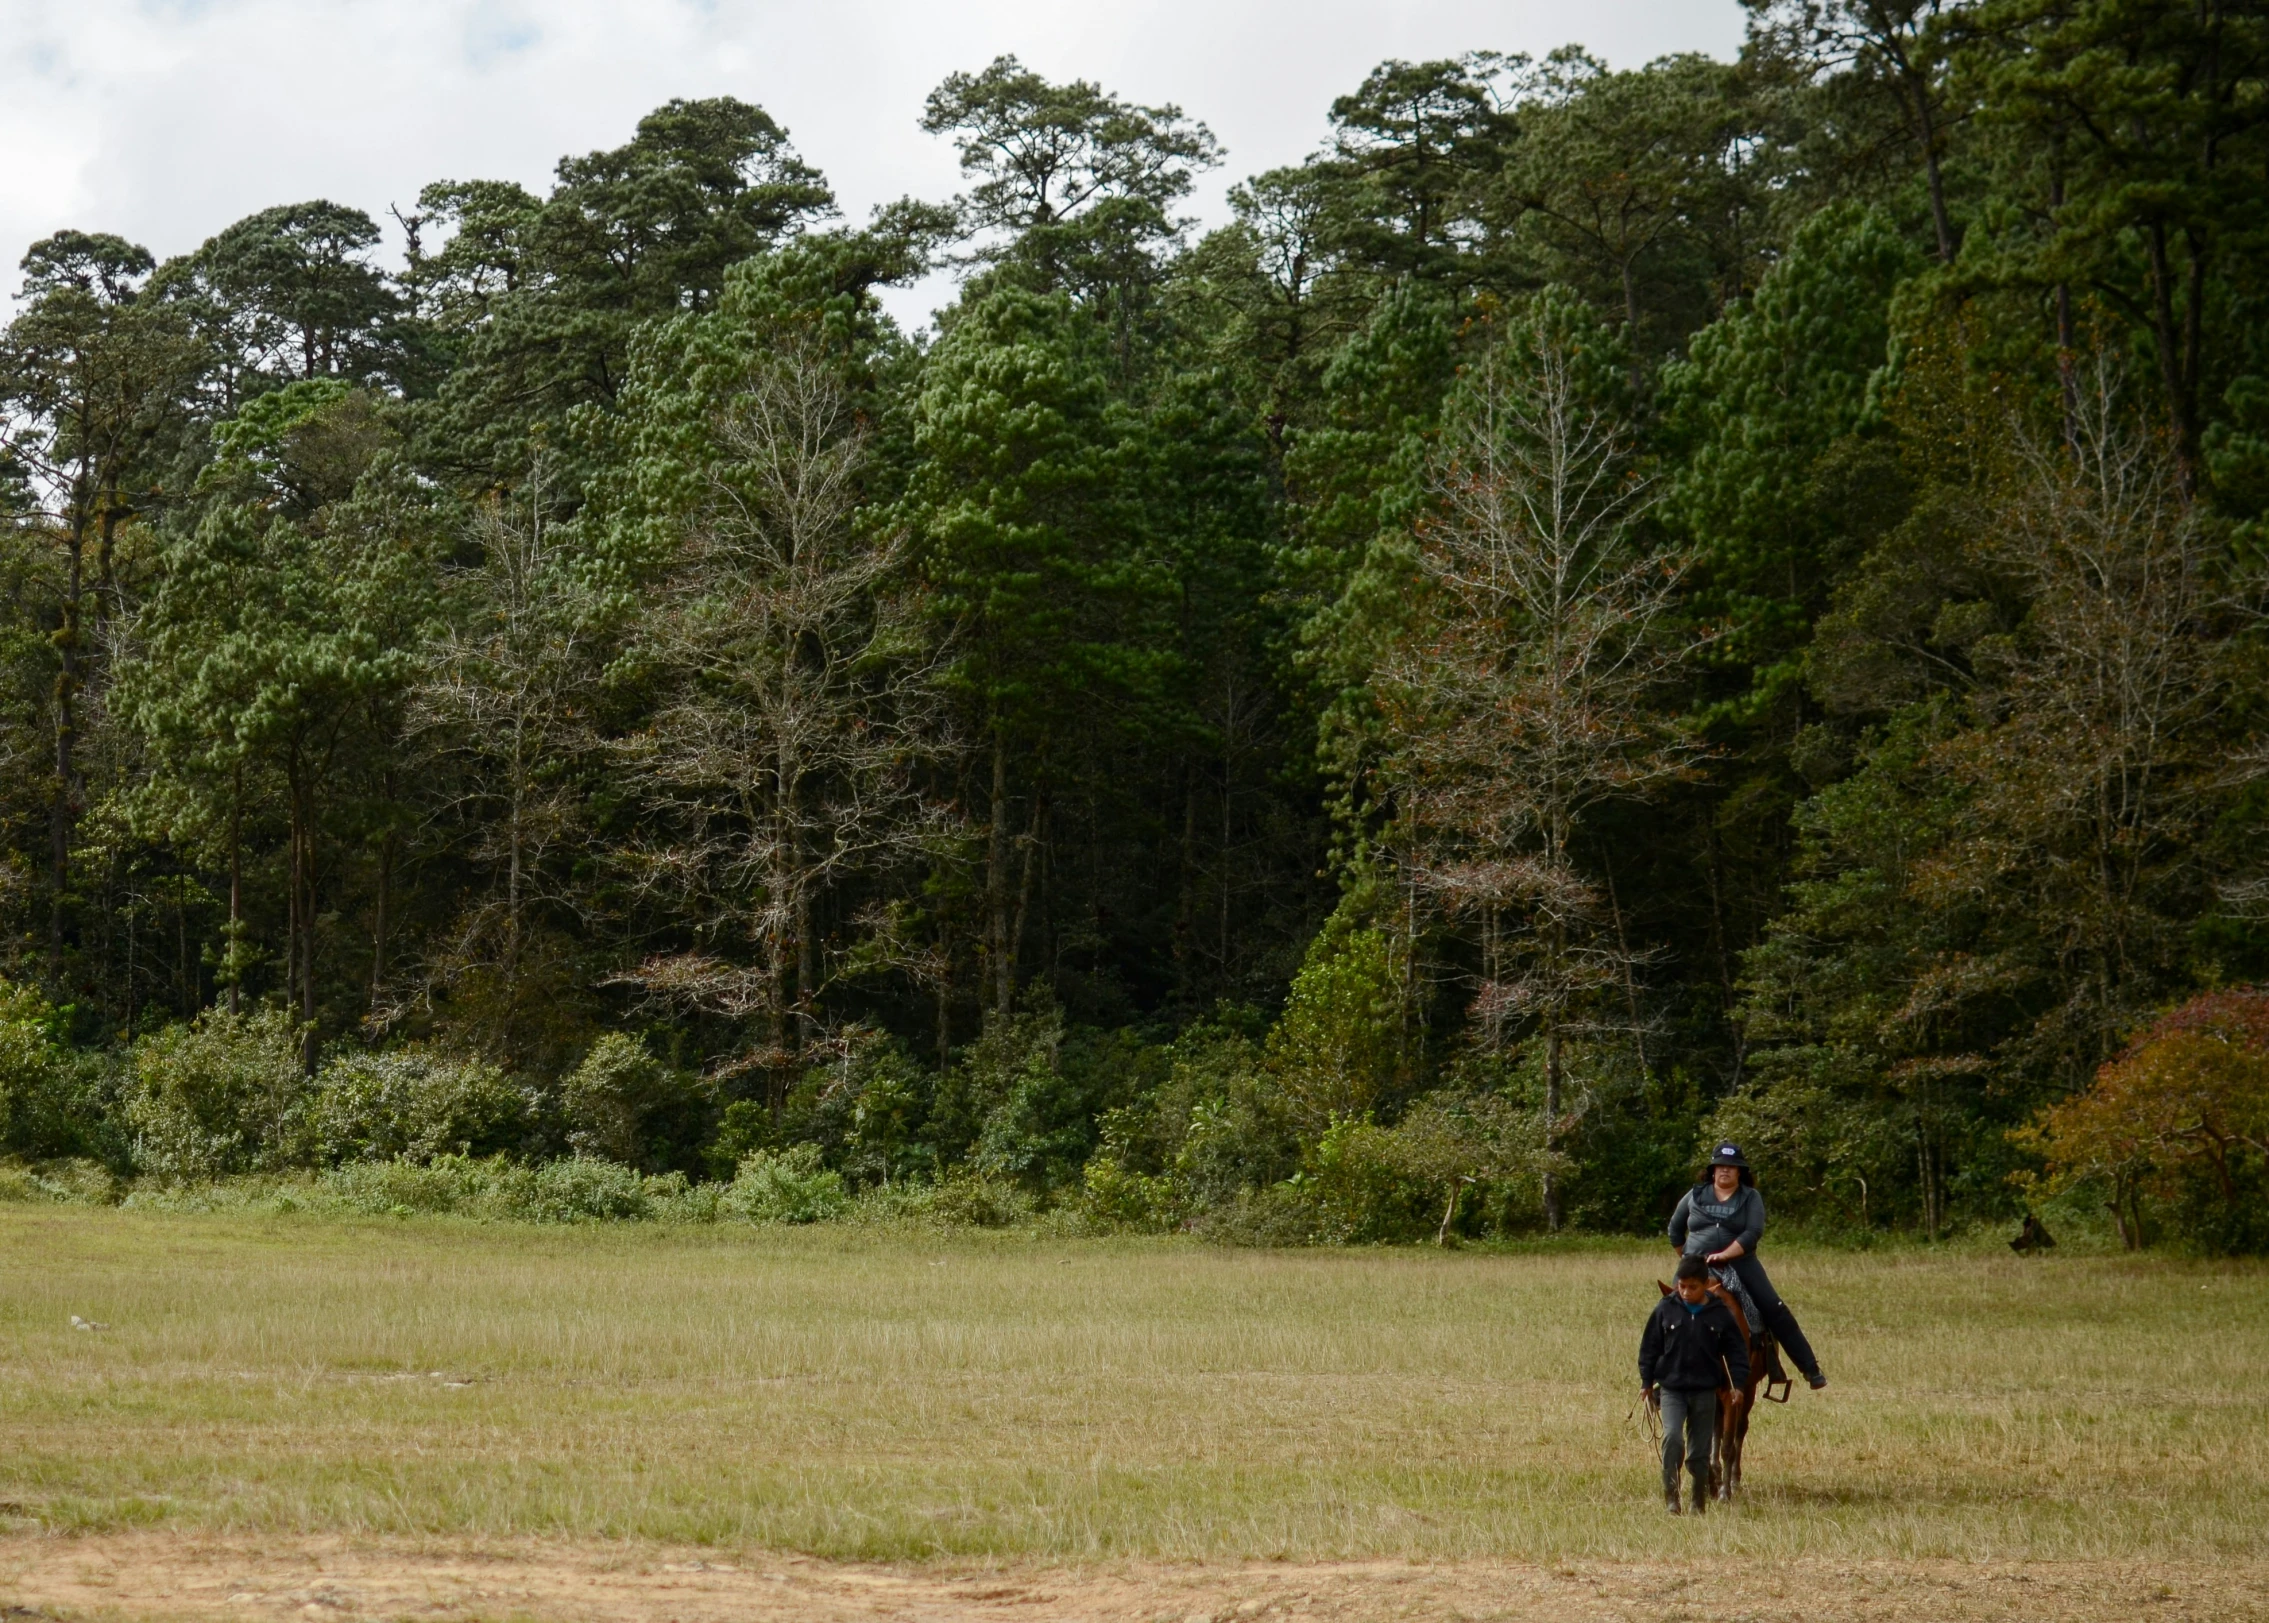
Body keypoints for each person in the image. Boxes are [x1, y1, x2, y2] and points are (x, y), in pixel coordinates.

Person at [1668, 1142, 1826, 1390]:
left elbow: (1753, 1232)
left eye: (1731, 1167)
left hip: (1741, 1263)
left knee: (1775, 1309)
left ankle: (1809, 1368)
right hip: (1697, 1265)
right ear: (1712, 1169)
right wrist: (1689, 1260)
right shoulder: (1694, 1195)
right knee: (1668, 1312)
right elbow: (1675, 1230)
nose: (1725, 1171)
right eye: (1720, 1166)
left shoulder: (1751, 1197)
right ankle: (1659, 1382)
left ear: (1740, 1171)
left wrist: (1724, 1255)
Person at [1639, 1253, 1749, 1514]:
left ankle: (1697, 1502)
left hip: (1704, 1391)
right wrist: (1646, 1381)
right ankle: (1671, 1497)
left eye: (1693, 1287)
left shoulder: (1720, 1314)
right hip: (1672, 1389)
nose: (1686, 1292)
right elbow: (1649, 1347)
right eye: (1682, 1286)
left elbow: (1736, 1351)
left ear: (1705, 1286)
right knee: (1672, 1438)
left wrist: (1739, 1384)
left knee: (1699, 1453)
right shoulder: (1665, 1308)